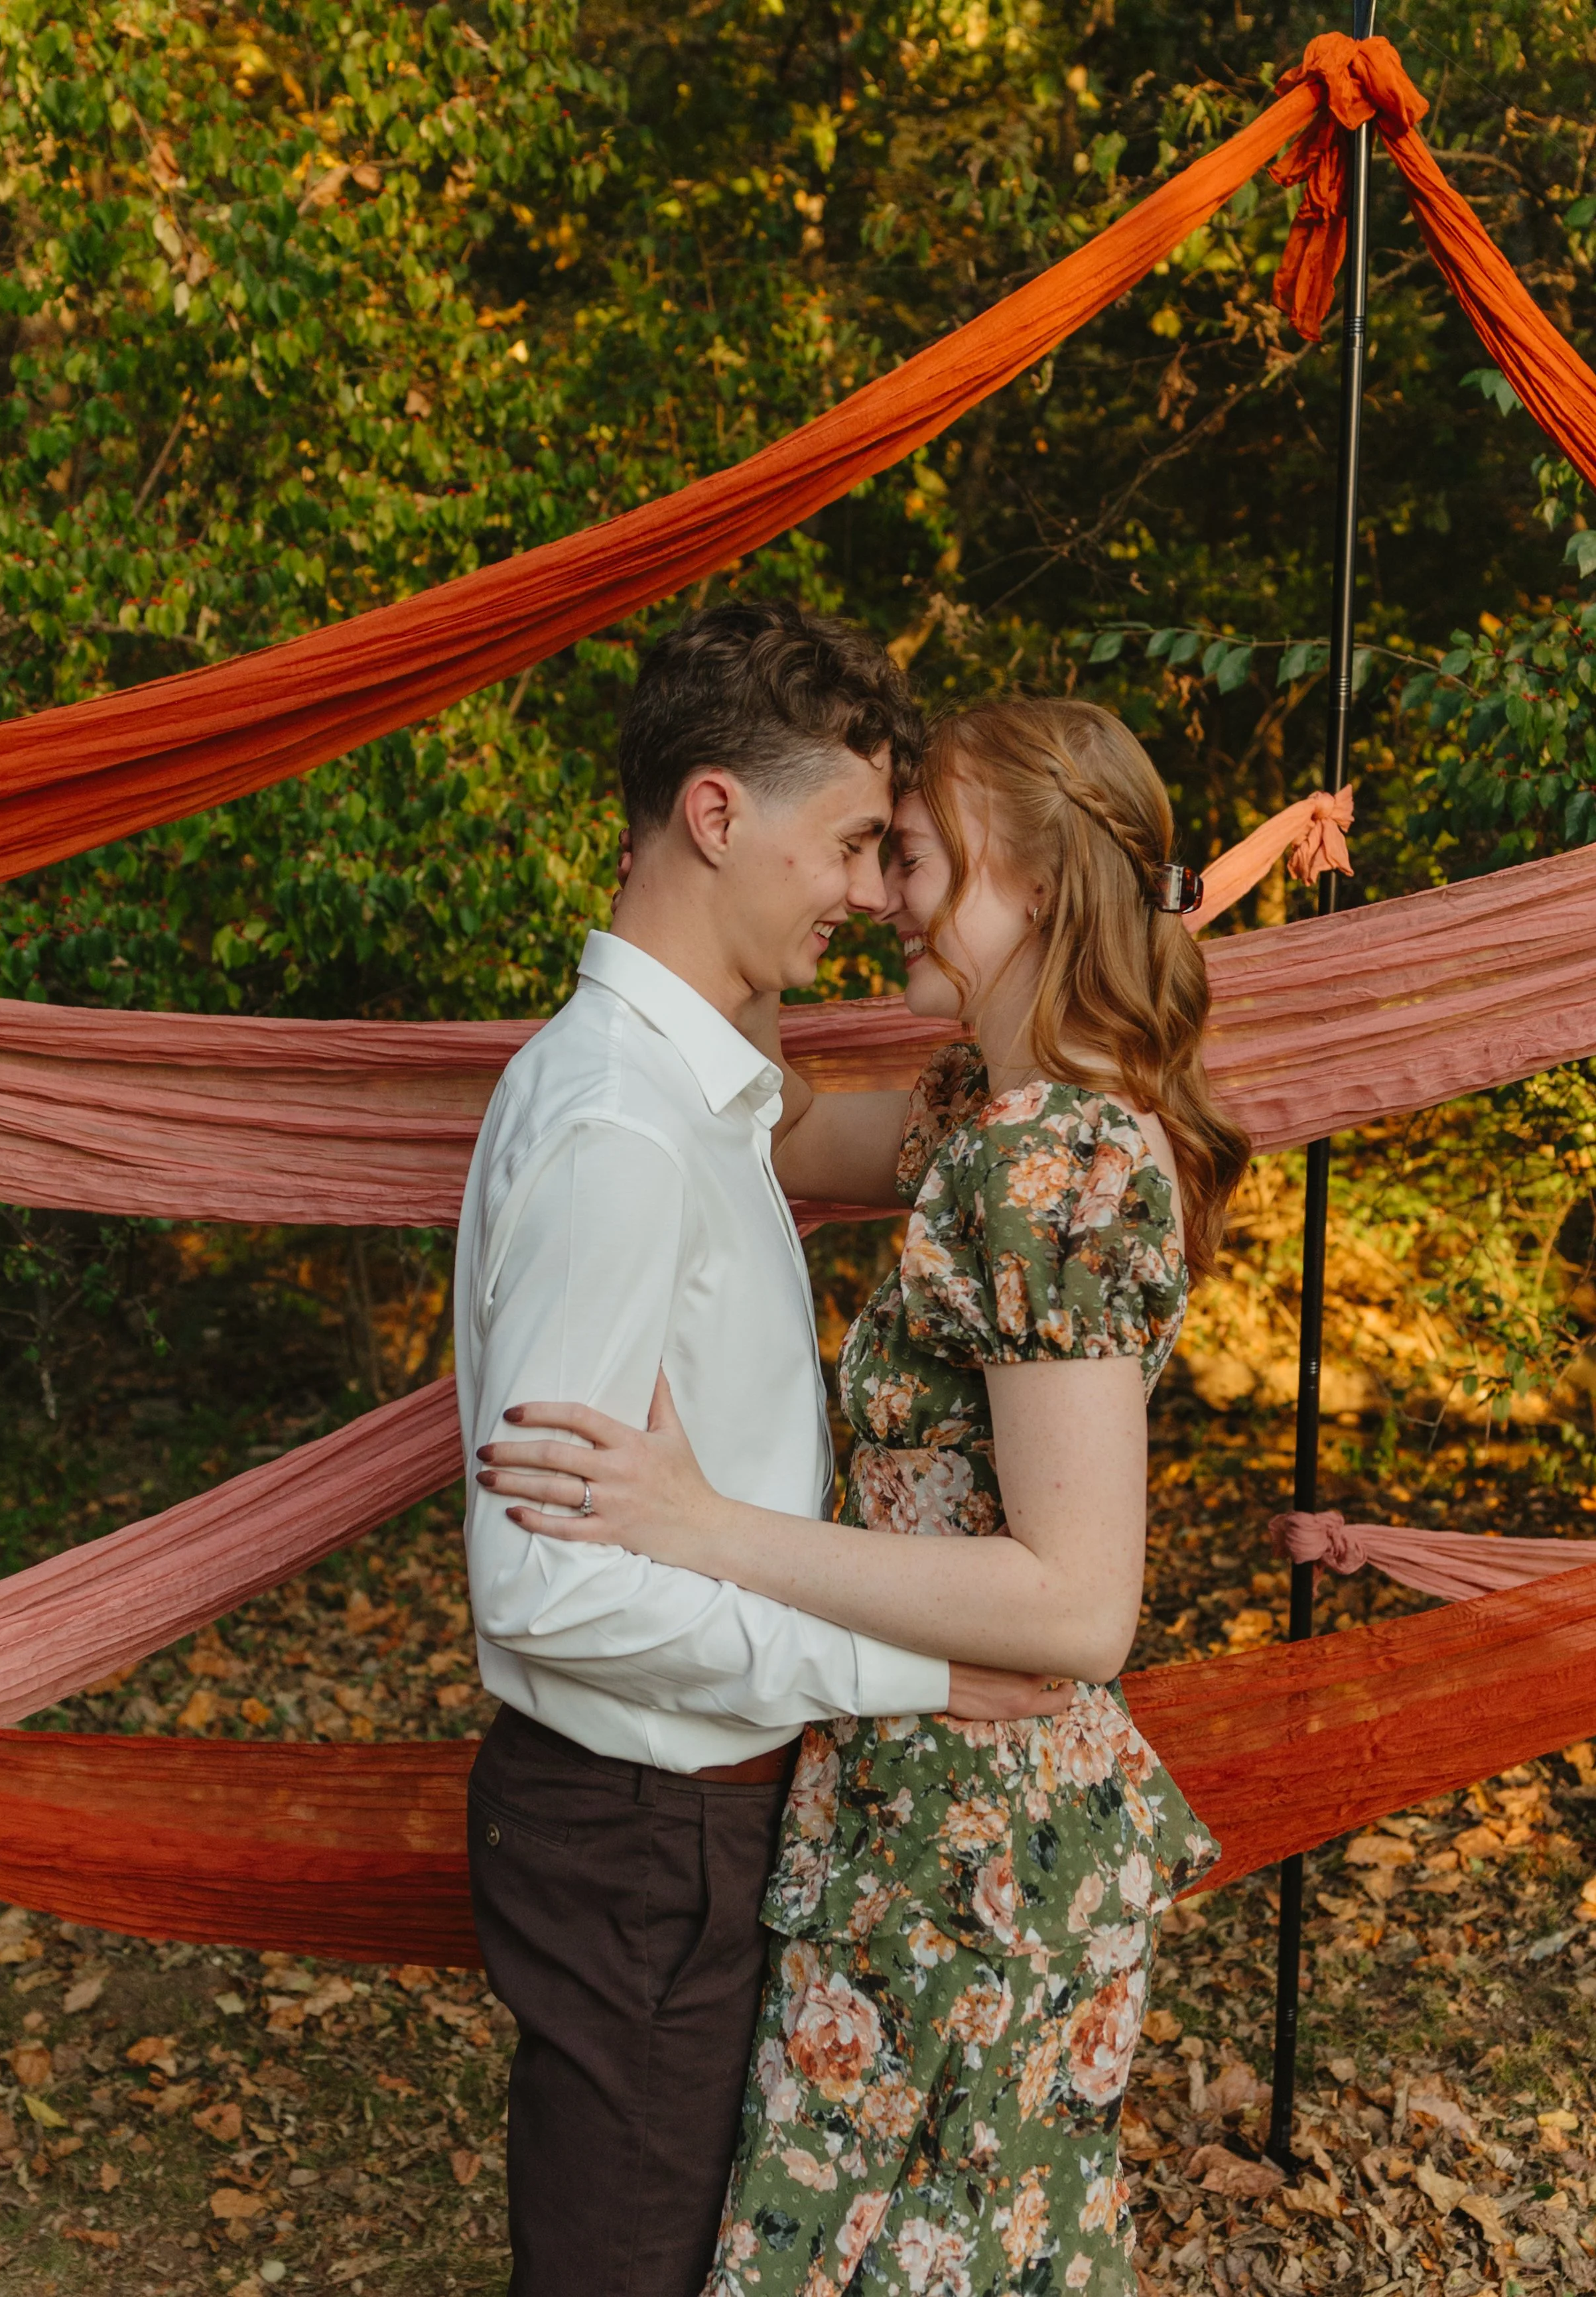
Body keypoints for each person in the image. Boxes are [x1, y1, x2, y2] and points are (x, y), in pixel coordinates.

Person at [478, 694, 1250, 2295]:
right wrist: (724, 924)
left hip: (982, 1824)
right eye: (867, 852)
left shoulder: (1057, 1164)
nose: (881, 893)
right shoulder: (980, 1120)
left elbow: (1080, 1603)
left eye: (908, 857)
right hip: (900, 1799)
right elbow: (770, 1128)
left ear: (1033, 886)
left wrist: (704, 1528)